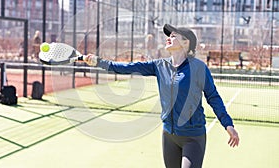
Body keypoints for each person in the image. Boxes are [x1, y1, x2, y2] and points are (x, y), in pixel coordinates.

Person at [84, 24, 239, 168]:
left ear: (186, 43)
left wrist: (228, 124)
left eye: (173, 36)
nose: (168, 38)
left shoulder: (198, 68)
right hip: (169, 136)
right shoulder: (159, 66)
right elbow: (127, 67)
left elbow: (213, 97)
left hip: (193, 137)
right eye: (168, 36)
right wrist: (99, 62)